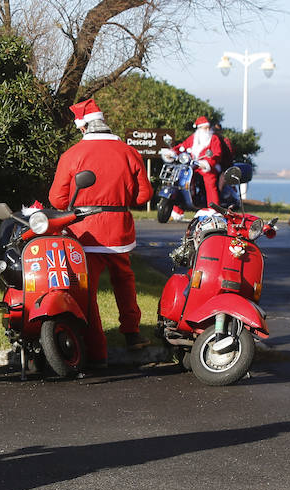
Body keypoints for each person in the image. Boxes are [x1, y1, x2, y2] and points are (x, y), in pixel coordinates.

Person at [48, 98, 153, 368]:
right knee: (125, 281)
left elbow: (58, 201)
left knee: (88, 292)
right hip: (120, 231)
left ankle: (98, 352)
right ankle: (132, 333)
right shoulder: (129, 152)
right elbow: (144, 195)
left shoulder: (72, 155)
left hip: (85, 233)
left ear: (82, 128)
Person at [165, 116, 224, 221]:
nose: (206, 130)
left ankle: (214, 208)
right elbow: (182, 146)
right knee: (181, 180)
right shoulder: (193, 138)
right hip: (192, 165)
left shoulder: (213, 138)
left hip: (207, 166)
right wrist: (172, 152)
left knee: (210, 180)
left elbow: (217, 153)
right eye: (204, 128)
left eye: (207, 128)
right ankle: (178, 209)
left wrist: (207, 162)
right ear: (199, 128)